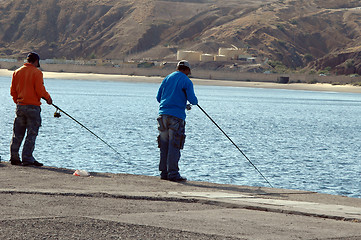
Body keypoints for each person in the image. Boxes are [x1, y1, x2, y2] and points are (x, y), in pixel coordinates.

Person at [156, 60, 198, 182]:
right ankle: (173, 174)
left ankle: (164, 173)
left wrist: (178, 104)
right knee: (175, 145)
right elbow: (193, 100)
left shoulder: (167, 78)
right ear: (186, 70)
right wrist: (188, 104)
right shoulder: (186, 81)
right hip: (177, 118)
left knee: (164, 145)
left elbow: (159, 98)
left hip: (162, 116)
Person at [10, 52, 52, 166]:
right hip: (33, 107)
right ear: (36, 61)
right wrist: (48, 98)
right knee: (31, 133)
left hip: (20, 106)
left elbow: (13, 91)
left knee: (17, 133)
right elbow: (40, 90)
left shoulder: (17, 72)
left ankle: (14, 157)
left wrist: (19, 102)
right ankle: (27, 158)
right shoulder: (37, 73)